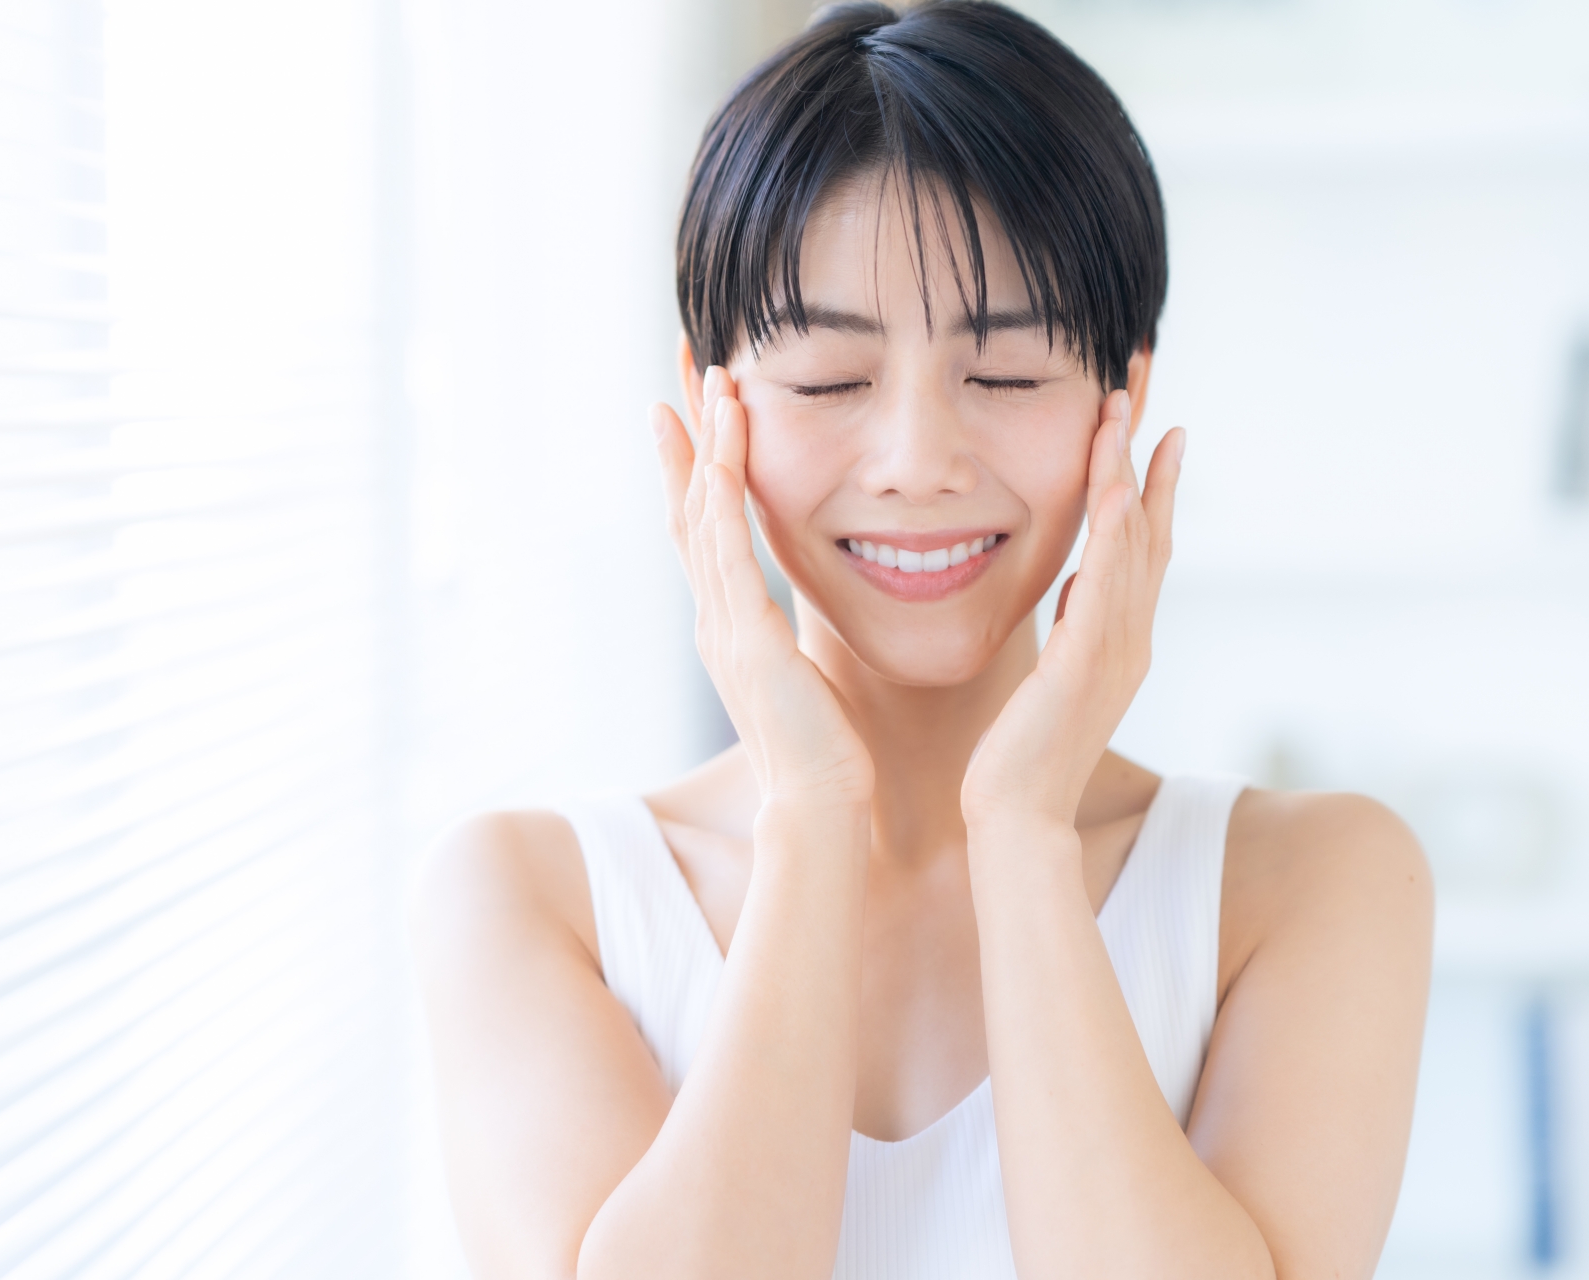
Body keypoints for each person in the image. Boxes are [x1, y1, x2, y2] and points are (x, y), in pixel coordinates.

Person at [411, 3, 1434, 1277]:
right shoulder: (531, 898)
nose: (915, 464)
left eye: (1002, 378)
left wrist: (1021, 831)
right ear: (710, 403)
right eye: (832, 381)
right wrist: (812, 810)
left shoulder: (1311, 883)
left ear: (1126, 395)